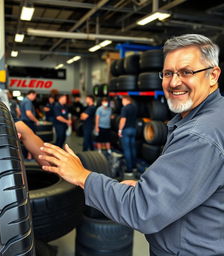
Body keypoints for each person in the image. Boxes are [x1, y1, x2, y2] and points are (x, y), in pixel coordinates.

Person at [39, 34, 224, 255]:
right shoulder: (209, 119)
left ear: (213, 75)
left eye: (186, 72)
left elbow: (142, 210)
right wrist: (147, 187)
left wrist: (82, 175)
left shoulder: (200, 135)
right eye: (167, 73)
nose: (174, 82)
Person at [118, 96, 137, 174]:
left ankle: (129, 170)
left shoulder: (125, 108)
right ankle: (134, 167)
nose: (122, 102)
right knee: (132, 148)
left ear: (126, 100)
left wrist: (120, 130)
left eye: (122, 100)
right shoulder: (134, 107)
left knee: (127, 150)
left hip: (126, 130)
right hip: (133, 129)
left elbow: (123, 120)